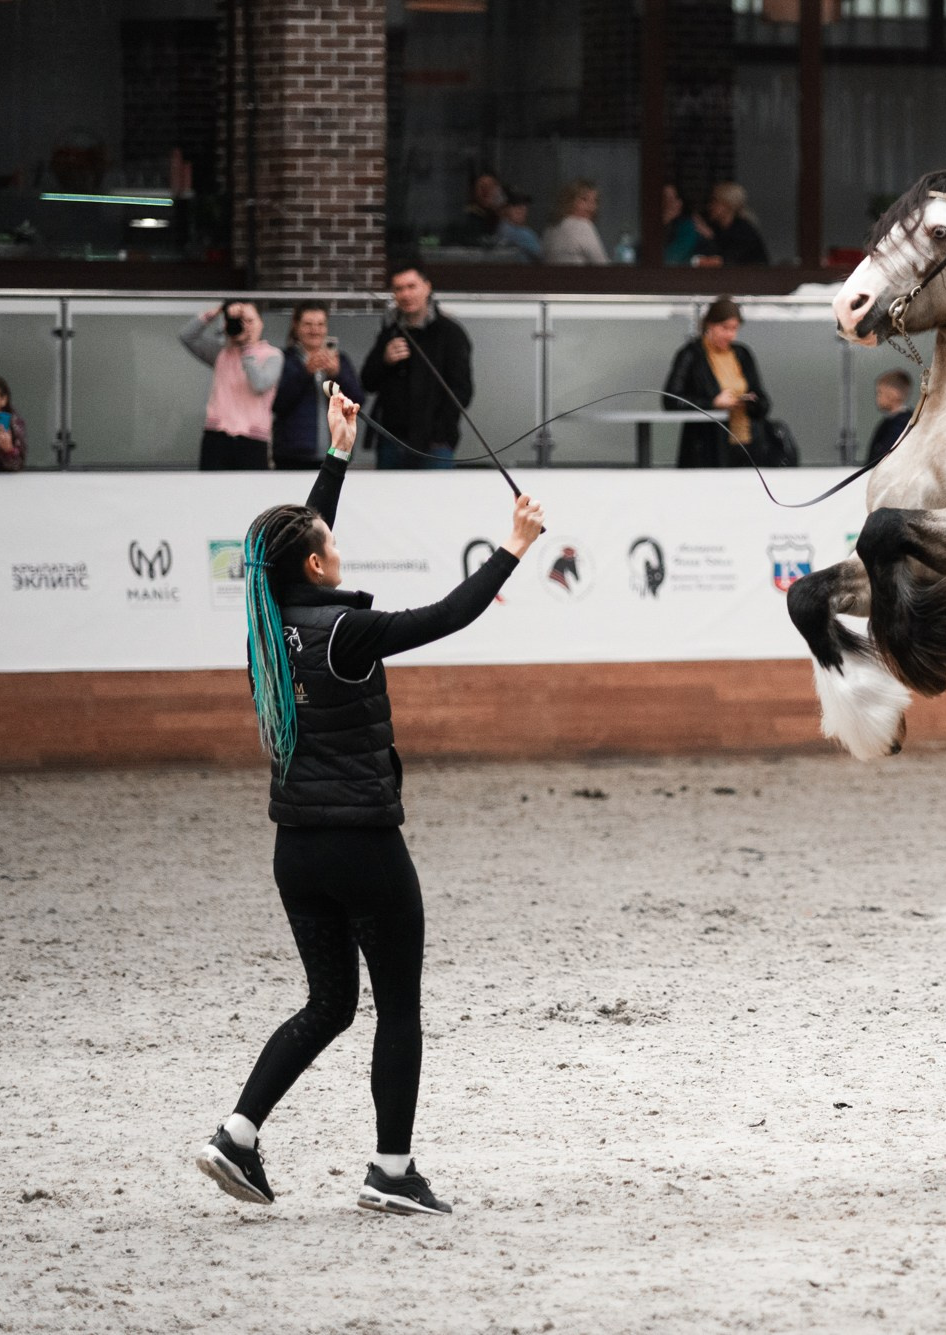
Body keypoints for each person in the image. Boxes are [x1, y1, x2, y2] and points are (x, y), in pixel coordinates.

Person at [194, 387, 544, 1217]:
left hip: (296, 850)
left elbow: (292, 547)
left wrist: (338, 455)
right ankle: (391, 1171)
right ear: (315, 564)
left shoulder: (266, 620)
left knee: (328, 1003)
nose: (334, 541)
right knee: (398, 1006)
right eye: (329, 540)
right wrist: (513, 547)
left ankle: (237, 1135)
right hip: (364, 846)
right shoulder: (347, 632)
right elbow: (449, 615)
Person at [361, 267, 474, 470]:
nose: (405, 294)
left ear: (427, 287)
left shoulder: (450, 333)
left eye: (411, 287)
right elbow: (367, 382)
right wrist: (384, 360)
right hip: (392, 440)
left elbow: (462, 391)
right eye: (399, 289)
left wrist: (439, 432)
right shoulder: (389, 331)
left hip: (435, 444)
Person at [663, 296, 770, 468]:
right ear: (709, 325)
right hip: (706, 446)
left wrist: (749, 401)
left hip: (747, 443)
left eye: (734, 329)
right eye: (724, 328)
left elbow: (763, 400)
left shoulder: (742, 354)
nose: (730, 334)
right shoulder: (691, 355)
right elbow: (671, 400)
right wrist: (713, 403)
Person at [180, 300, 284, 470]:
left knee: (252, 493)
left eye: (250, 321)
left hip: (253, 439)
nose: (245, 326)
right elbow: (187, 336)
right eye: (240, 322)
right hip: (217, 437)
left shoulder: (272, 355)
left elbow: (259, 384)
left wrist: (248, 348)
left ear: (261, 323)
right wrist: (219, 311)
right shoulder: (221, 353)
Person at [273, 303, 364, 470]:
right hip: (293, 454)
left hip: (335, 453)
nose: (315, 330)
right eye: (308, 324)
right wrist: (306, 372)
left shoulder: (340, 360)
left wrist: (338, 374)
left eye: (320, 324)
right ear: (296, 326)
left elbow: (357, 401)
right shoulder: (285, 359)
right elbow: (278, 404)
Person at [694, 182, 769, 267]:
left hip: (753, 278)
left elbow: (727, 260)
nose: (710, 206)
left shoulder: (743, 230)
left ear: (727, 205)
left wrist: (695, 261)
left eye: (714, 201)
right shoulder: (717, 228)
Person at [541, 179, 608, 265]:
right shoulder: (582, 226)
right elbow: (603, 265)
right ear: (569, 201)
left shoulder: (549, 228)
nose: (591, 206)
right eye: (584, 199)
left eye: (595, 201)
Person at [865, 369, 912, 466]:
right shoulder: (894, 421)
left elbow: (882, 457)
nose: (878, 397)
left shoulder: (902, 424)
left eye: (880, 392)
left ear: (893, 394)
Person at [446, 172, 505, 248]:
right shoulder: (468, 219)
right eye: (482, 187)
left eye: (491, 187)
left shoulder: (501, 218)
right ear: (473, 191)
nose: (486, 192)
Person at [493, 190, 541, 263]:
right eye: (516, 205)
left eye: (524, 205)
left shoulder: (501, 228)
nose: (522, 209)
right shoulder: (518, 232)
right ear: (504, 208)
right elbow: (542, 256)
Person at [661, 184, 703, 266]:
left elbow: (669, 259)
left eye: (674, 198)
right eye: (665, 198)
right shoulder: (651, 224)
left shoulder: (688, 227)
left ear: (680, 202)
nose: (669, 203)